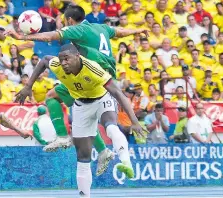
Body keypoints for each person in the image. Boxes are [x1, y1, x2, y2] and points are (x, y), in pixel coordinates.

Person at [9, 5, 148, 176]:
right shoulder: (101, 27)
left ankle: (62, 137)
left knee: (53, 97)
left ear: (69, 21)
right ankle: (104, 151)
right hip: (107, 78)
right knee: (83, 116)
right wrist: (137, 30)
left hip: (92, 76)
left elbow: (52, 36)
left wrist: (23, 36)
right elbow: (119, 31)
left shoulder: (77, 30)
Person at [15, 44, 146, 197]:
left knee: (110, 127)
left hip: (101, 99)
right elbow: (44, 60)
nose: (63, 63)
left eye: (67, 59)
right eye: (61, 59)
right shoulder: (57, 65)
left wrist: (134, 121)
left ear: (77, 56)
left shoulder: (92, 69)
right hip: (80, 106)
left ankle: (125, 163)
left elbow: (118, 93)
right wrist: (28, 86)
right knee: (83, 157)